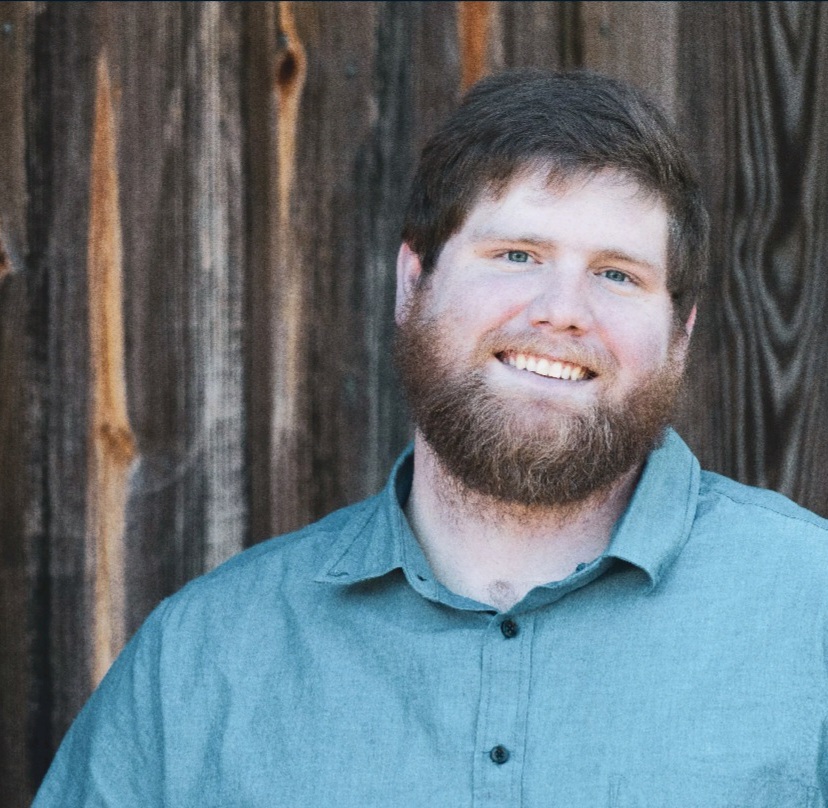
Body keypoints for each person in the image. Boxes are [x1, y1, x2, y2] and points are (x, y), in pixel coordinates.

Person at [35, 69, 828, 807]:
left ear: (680, 334)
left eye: (617, 274)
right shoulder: (205, 656)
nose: (563, 311)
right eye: (517, 254)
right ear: (412, 284)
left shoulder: (810, 610)